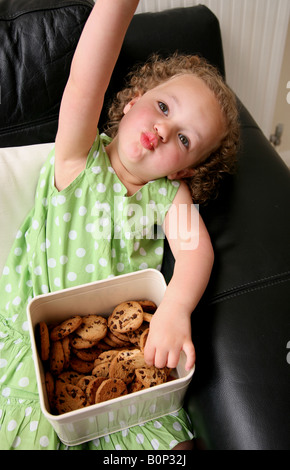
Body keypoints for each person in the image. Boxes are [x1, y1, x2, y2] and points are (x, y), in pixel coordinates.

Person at [0, 0, 239, 450]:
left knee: (168, 446)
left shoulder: (169, 195)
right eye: (164, 107)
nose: (166, 130)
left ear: (185, 170)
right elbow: (84, 79)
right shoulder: (78, 157)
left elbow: (194, 252)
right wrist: (117, 6)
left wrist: (175, 308)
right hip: (37, 357)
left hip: (119, 366)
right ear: (132, 103)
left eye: (185, 139)